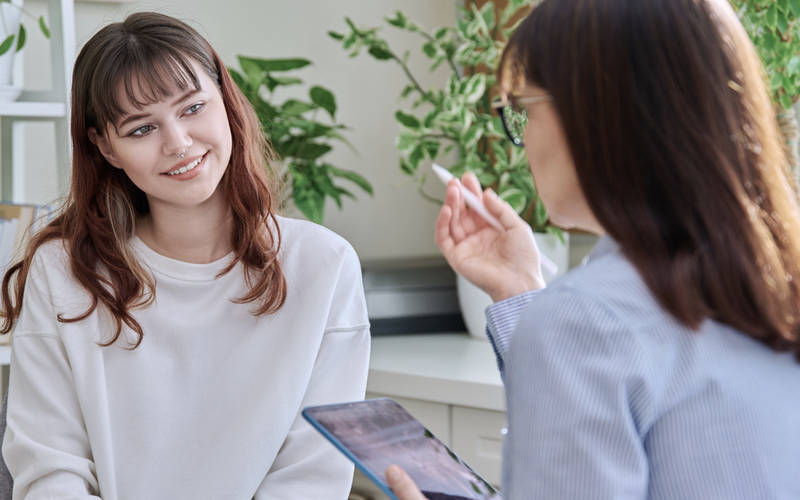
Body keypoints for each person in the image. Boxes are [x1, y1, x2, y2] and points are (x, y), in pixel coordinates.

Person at [386, 0, 800, 498]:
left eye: (522, 109)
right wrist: (520, 291)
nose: (522, 138)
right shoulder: (773, 289)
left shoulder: (583, 321)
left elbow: (593, 341)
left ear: (594, 114)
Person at [0, 12, 370, 500]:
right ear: (105, 147)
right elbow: (51, 471)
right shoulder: (63, 271)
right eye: (140, 130)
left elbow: (311, 478)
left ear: (226, 101)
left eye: (193, 108)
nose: (178, 143)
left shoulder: (323, 266)